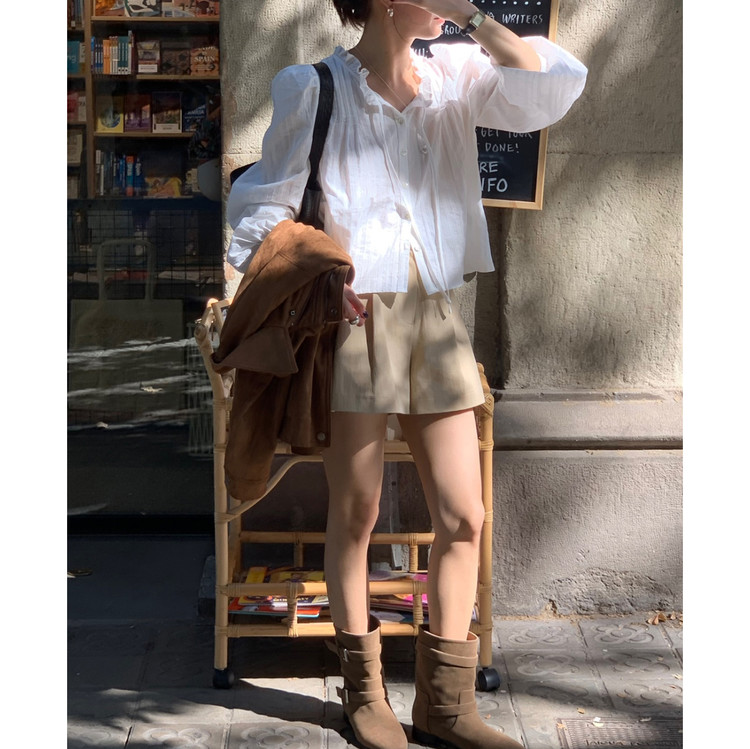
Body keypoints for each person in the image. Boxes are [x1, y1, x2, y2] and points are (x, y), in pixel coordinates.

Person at [226, 2, 587, 747]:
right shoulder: (314, 87)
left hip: (435, 317)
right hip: (355, 324)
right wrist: (321, 275)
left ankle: (446, 706)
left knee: (464, 515)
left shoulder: (455, 75)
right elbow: (259, 210)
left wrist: (472, 16)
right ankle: (365, 695)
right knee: (356, 511)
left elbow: (546, 86)